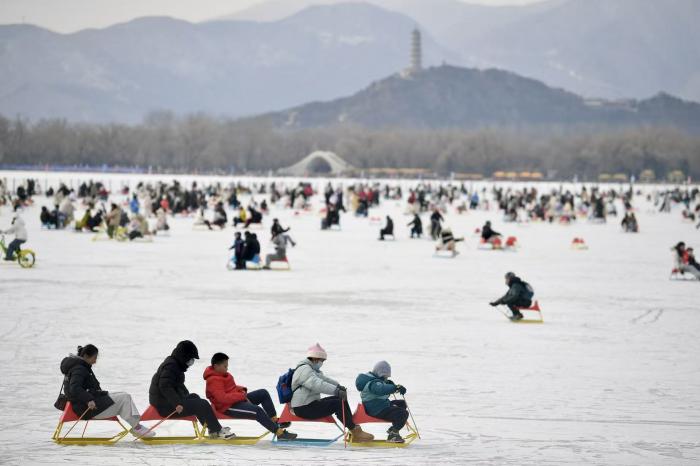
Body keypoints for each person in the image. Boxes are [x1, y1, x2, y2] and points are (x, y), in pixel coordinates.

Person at [60, 344, 155, 438]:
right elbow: (75, 388)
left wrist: (101, 394)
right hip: (87, 408)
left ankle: (136, 426)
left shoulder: (80, 366)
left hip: (87, 404)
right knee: (125, 398)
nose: (95, 361)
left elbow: (85, 388)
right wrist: (88, 399)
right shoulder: (79, 369)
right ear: (85, 356)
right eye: (94, 358)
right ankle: (136, 427)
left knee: (124, 395)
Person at [149, 340, 235, 439]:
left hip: (165, 401)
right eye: (191, 359)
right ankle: (217, 431)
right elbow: (165, 386)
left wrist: (187, 399)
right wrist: (177, 403)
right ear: (184, 356)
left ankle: (212, 429)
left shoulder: (175, 365)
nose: (191, 362)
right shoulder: (171, 366)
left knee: (195, 397)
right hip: (165, 406)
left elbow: (177, 386)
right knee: (202, 404)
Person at [291, 343, 373, 442]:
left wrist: (338, 386)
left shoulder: (310, 369)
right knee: (338, 404)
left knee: (339, 399)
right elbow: (317, 384)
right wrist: (335, 391)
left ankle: (353, 429)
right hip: (303, 408)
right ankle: (355, 432)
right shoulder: (305, 370)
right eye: (322, 360)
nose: (322, 363)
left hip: (308, 404)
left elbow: (324, 379)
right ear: (316, 358)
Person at [204, 353, 296, 440]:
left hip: (236, 400)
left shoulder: (223, 375)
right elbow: (222, 398)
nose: (227, 368)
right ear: (216, 366)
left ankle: (274, 421)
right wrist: (241, 396)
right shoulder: (213, 380)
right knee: (257, 411)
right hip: (227, 407)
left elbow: (231, 388)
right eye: (225, 366)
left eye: (227, 366)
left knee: (263, 393)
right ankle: (279, 433)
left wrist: (241, 390)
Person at [355, 361, 408, 443]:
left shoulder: (375, 381)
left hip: (379, 405)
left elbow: (383, 385)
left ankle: (393, 428)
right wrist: (394, 388)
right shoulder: (373, 383)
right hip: (376, 410)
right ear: (381, 373)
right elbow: (381, 389)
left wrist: (392, 385)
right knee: (403, 413)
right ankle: (393, 435)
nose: (387, 378)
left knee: (402, 403)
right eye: (386, 376)